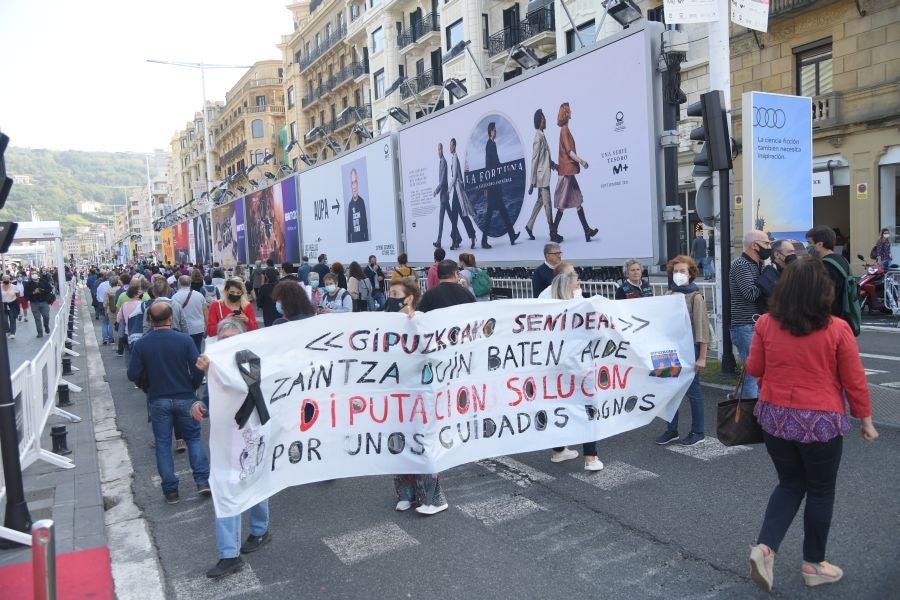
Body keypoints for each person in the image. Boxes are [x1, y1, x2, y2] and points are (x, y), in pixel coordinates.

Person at [744, 258, 878, 593]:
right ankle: (814, 565)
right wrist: (865, 420)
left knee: (789, 484)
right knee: (820, 490)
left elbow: (754, 367)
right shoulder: (837, 328)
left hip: (775, 418)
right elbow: (854, 380)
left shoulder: (766, 325)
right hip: (820, 420)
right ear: (823, 291)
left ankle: (765, 549)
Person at [192, 317, 272, 579]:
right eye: (222, 339)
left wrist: (214, 370)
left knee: (254, 480)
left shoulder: (252, 360)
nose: (225, 343)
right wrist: (200, 405)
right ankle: (230, 554)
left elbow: (248, 390)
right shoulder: (215, 363)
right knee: (225, 489)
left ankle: (260, 530)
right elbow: (210, 398)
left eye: (231, 339)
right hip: (225, 438)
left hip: (251, 433)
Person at [127, 302, 210, 505]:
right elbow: (198, 367)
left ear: (149, 320)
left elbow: (132, 373)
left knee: (163, 443)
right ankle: (202, 481)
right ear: (171, 318)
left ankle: (170, 489)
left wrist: (147, 384)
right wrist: (192, 386)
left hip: (158, 398)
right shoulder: (184, 340)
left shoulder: (142, 344)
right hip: (185, 396)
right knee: (193, 438)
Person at [387, 280, 450, 516]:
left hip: (420, 392)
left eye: (395, 293)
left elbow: (432, 350)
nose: (390, 297)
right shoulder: (386, 323)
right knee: (398, 441)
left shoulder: (423, 320)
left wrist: (414, 325)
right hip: (396, 390)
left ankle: (434, 497)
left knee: (421, 441)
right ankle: (406, 493)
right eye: (390, 292)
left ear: (409, 298)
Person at [547, 271, 604, 470]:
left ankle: (558, 450)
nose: (580, 287)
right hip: (580, 368)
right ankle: (590, 457)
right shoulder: (581, 309)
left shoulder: (548, 310)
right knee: (587, 409)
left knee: (560, 407)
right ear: (568, 289)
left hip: (556, 369)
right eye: (577, 285)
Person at [654, 256, 709, 447]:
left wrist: (702, 357)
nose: (678, 274)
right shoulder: (669, 294)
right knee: (669, 390)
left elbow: (702, 329)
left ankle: (698, 431)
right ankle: (672, 429)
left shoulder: (695, 297)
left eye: (682, 271)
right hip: (670, 349)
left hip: (689, 349)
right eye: (675, 271)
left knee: (693, 392)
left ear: (690, 274)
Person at [730, 229, 770, 402]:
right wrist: (768, 280)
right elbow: (750, 294)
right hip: (745, 326)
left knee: (760, 372)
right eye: (766, 243)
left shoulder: (758, 265)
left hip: (757, 325)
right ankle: (748, 413)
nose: (769, 247)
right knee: (752, 375)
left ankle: (756, 409)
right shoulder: (741, 265)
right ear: (754, 245)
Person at [552, 102, 598, 243]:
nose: (571, 112)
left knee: (577, 201)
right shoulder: (564, 130)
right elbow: (569, 152)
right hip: (566, 173)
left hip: (569, 172)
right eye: (569, 110)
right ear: (566, 113)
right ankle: (553, 233)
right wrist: (582, 161)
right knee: (561, 205)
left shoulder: (565, 129)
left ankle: (587, 231)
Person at [481, 122, 520, 249]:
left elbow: (496, 163)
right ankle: (484, 241)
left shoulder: (492, 144)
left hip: (494, 185)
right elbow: (489, 166)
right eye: (495, 130)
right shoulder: (490, 145)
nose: (496, 132)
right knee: (490, 215)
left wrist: (504, 167)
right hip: (493, 186)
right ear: (491, 131)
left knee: (502, 211)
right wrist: (486, 186)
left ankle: (511, 236)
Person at [526, 108, 561, 243]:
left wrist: (554, 166)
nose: (545, 120)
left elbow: (544, 158)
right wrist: (532, 183)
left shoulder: (542, 136)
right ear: (538, 122)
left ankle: (529, 226)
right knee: (548, 204)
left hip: (544, 175)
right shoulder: (538, 138)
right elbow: (534, 160)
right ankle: (553, 233)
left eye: (544, 118)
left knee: (540, 201)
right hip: (542, 178)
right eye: (542, 119)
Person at [806, 225, 851, 322]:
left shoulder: (826, 265)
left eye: (809, 243)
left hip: (830, 319)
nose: (807, 246)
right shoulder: (842, 260)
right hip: (843, 316)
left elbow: (822, 297)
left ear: (820, 244)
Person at [448, 137, 478, 250]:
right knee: (455, 218)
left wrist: (448, 189)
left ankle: (472, 236)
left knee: (463, 217)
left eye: (452, 145)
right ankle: (455, 240)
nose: (450, 147)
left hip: (458, 192)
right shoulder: (453, 158)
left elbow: (455, 177)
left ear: (455, 146)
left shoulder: (455, 158)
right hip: (456, 192)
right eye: (450, 145)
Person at [756, 240, 798, 307]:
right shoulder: (767, 276)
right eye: (790, 252)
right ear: (777, 254)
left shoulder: (793, 272)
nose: (793, 255)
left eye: (794, 252)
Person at [171, 275, 209, 352]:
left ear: (178, 284)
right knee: (197, 350)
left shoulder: (174, 297)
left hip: (183, 330)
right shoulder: (199, 295)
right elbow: (206, 313)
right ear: (190, 283)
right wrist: (207, 326)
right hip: (199, 328)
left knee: (184, 351)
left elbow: (174, 316)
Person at [433, 142, 459, 250]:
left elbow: (443, 181)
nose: (439, 152)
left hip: (443, 195)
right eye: (438, 150)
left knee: (441, 220)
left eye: (440, 149)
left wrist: (436, 190)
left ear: (442, 150)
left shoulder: (443, 162)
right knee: (451, 218)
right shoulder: (441, 161)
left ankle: (439, 242)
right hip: (443, 196)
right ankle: (459, 237)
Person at [24, 272, 54, 338]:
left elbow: (49, 289)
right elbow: (26, 294)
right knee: (37, 318)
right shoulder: (28, 284)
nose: (34, 275)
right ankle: (40, 332)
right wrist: (33, 292)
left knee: (46, 316)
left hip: (44, 302)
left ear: (38, 275)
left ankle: (46, 326)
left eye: (35, 273)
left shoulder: (43, 281)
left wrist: (41, 290)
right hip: (34, 303)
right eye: (32, 274)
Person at [347, 168, 369, 243]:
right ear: (351, 185)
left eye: (355, 182)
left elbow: (365, 227)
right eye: (352, 183)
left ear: (358, 183)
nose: (354, 186)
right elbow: (349, 230)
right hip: (353, 244)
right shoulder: (350, 205)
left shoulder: (362, 202)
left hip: (363, 242)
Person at [97, 273, 117, 344]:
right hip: (112, 305)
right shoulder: (116, 288)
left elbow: (98, 296)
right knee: (110, 323)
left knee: (104, 323)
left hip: (102, 304)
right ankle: (111, 338)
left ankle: (105, 338)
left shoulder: (101, 285)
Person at [2, 275, 20, 339]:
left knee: (12, 319)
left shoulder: (14, 287)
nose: (6, 280)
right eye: (4, 278)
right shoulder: (0, 286)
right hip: (3, 305)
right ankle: (8, 330)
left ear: (9, 279)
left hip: (12, 304)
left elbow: (18, 295)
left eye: (7, 278)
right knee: (4, 320)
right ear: (2, 279)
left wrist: (13, 300)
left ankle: (12, 333)